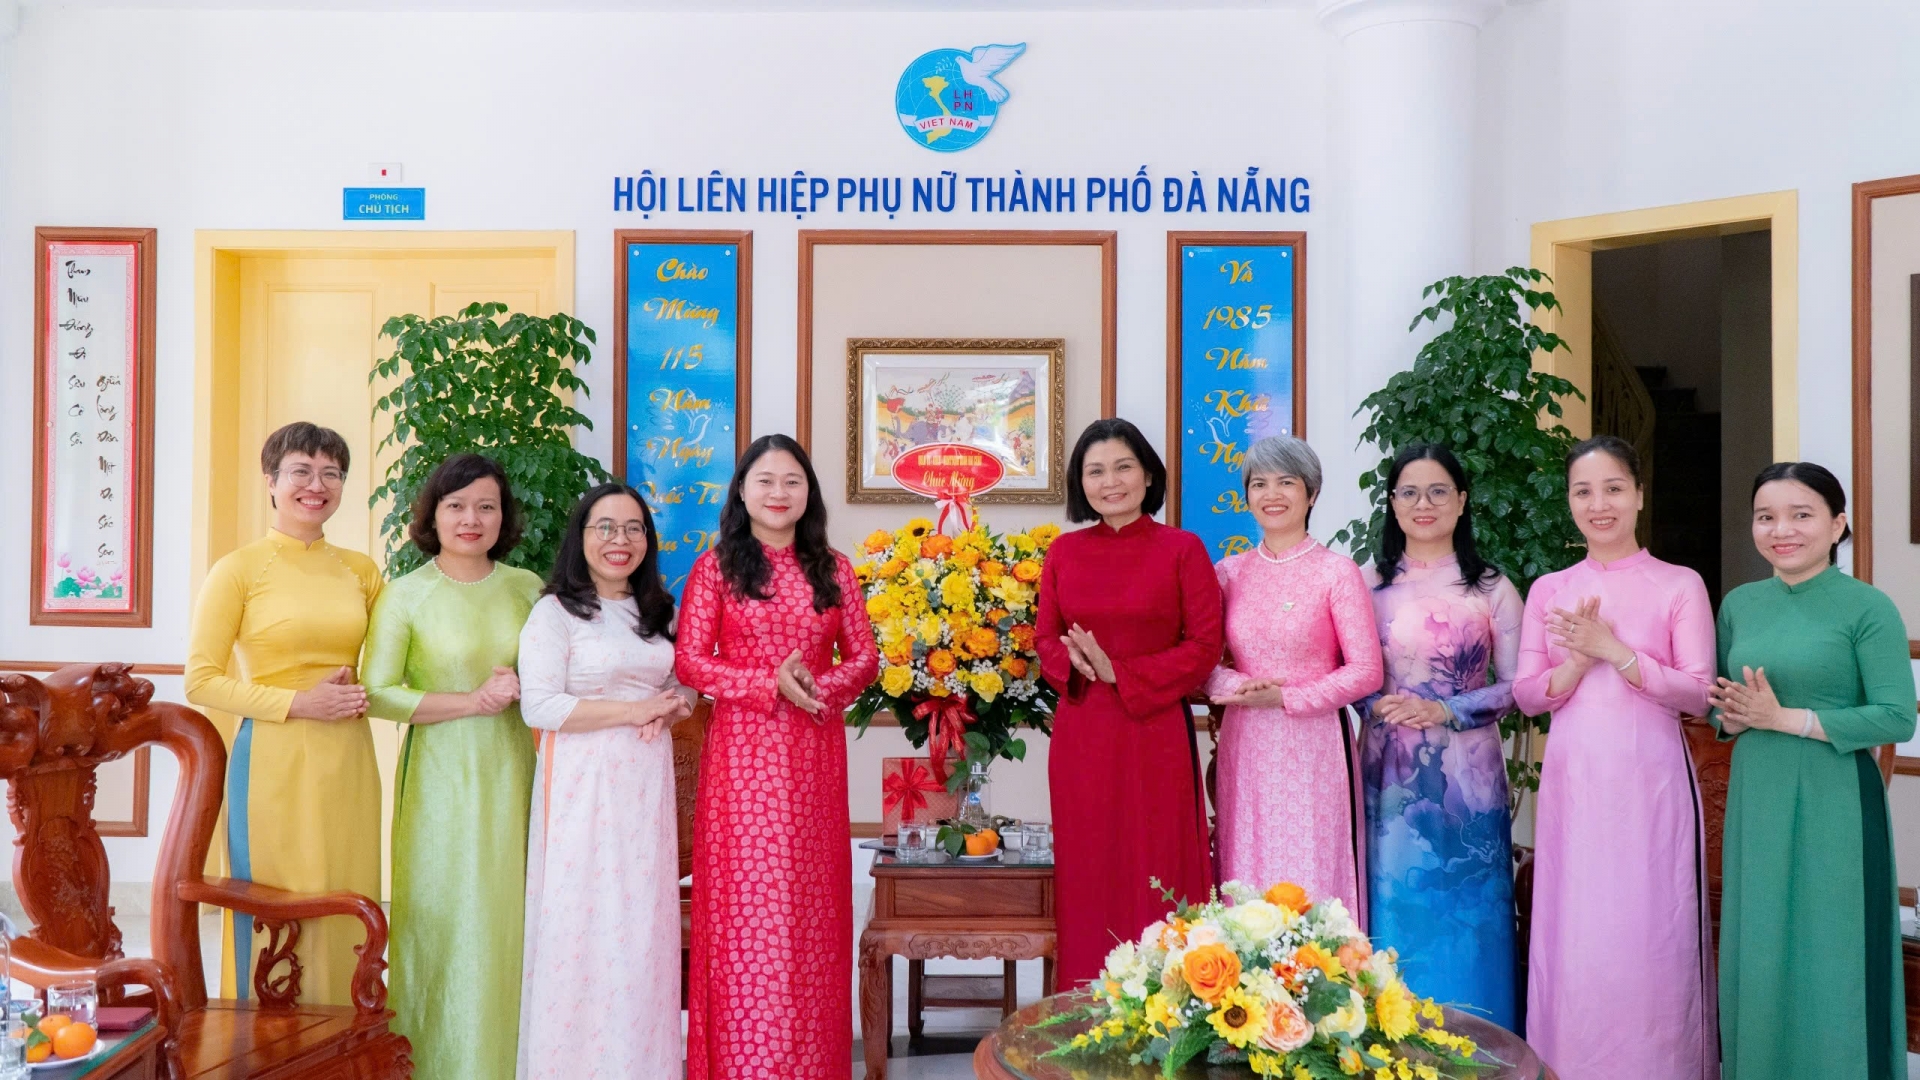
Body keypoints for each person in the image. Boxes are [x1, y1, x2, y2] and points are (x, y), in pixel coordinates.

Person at [675, 435, 878, 1080]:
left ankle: (810, 1063)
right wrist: (768, 683)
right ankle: (744, 1063)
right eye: (764, 481)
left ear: (808, 492)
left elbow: (865, 658)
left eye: (792, 481)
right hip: (742, 758)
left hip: (814, 754)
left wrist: (818, 686)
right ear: (742, 490)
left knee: (810, 909)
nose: (778, 493)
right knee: (747, 911)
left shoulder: (834, 569)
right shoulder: (716, 569)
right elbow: (690, 661)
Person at [1512, 435, 1716, 1080]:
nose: (1599, 504)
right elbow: (1527, 695)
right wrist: (1576, 662)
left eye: (1613, 489)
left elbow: (1699, 692)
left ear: (1639, 495)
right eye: (1583, 491)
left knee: (1651, 931)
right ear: (1569, 501)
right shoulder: (1550, 590)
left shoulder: (1679, 584)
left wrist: (1617, 652)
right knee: (1575, 934)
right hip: (1574, 785)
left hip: (1650, 784)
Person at [1709, 462, 1913, 1080]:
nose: (1782, 530)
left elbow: (1897, 716)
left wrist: (1786, 718)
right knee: (1760, 945)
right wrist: (1737, 717)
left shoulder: (1867, 607)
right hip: (1757, 794)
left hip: (1836, 798)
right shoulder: (1740, 605)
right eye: (1766, 517)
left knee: (1833, 950)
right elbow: (1723, 707)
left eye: (1801, 515)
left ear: (1837, 524)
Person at [184, 421, 382, 1006]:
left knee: (347, 893)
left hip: (348, 757)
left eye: (331, 473)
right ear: (270, 481)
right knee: (275, 903)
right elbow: (201, 679)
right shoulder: (239, 569)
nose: (316, 485)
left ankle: (345, 1033)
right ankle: (263, 1038)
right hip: (272, 759)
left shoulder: (362, 571)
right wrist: (300, 702)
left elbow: (386, 670)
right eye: (301, 471)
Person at [360, 454, 543, 1080]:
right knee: (444, 919)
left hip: (516, 774)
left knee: (512, 919)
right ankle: (433, 1063)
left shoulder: (527, 588)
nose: (472, 519)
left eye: (486, 506)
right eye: (456, 505)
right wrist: (472, 701)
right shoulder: (406, 595)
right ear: (432, 515)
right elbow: (377, 692)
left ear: (503, 516)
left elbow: (554, 674)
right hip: (439, 781)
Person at [514, 482, 692, 1080]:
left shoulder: (658, 610)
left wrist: (675, 704)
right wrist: (632, 710)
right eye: (605, 528)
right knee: (583, 922)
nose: (621, 540)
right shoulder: (555, 612)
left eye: (634, 528)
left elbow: (682, 683)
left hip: (645, 785)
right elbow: (539, 706)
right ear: (581, 537)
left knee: (640, 928)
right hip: (581, 785)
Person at [1036, 418, 1221, 984]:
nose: (1110, 482)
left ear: (1148, 476)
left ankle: (1172, 1001)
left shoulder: (1183, 549)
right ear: (1080, 482)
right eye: (1095, 471)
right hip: (1084, 732)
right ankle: (1086, 1006)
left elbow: (1205, 647)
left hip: (1155, 732)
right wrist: (1076, 663)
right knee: (1089, 869)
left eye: (1123, 467)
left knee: (1159, 866)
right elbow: (1045, 638)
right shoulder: (1064, 552)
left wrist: (1122, 671)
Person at [1358, 443, 1521, 1029]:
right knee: (1391, 899)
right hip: (1388, 774)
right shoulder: (1367, 583)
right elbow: (1347, 672)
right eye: (1408, 492)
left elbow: (1519, 686)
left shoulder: (1492, 587)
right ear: (1392, 503)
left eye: (1437, 491)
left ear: (1462, 501)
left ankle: (1484, 1042)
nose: (1422, 504)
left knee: (1471, 905)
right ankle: (1391, 1045)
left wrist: (1445, 709)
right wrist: (1375, 703)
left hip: (1468, 778)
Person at [1204, 435, 1380, 919]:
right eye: (1259, 483)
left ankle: (1321, 965)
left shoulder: (1336, 573)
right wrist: (1237, 689)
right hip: (1246, 743)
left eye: (1286, 482)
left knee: (1313, 869)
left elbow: (1366, 670)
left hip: (1314, 745)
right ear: (1246, 495)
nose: (1272, 494)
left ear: (1312, 493)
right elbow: (1204, 662)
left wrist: (1286, 697)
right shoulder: (1228, 573)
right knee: (1245, 867)